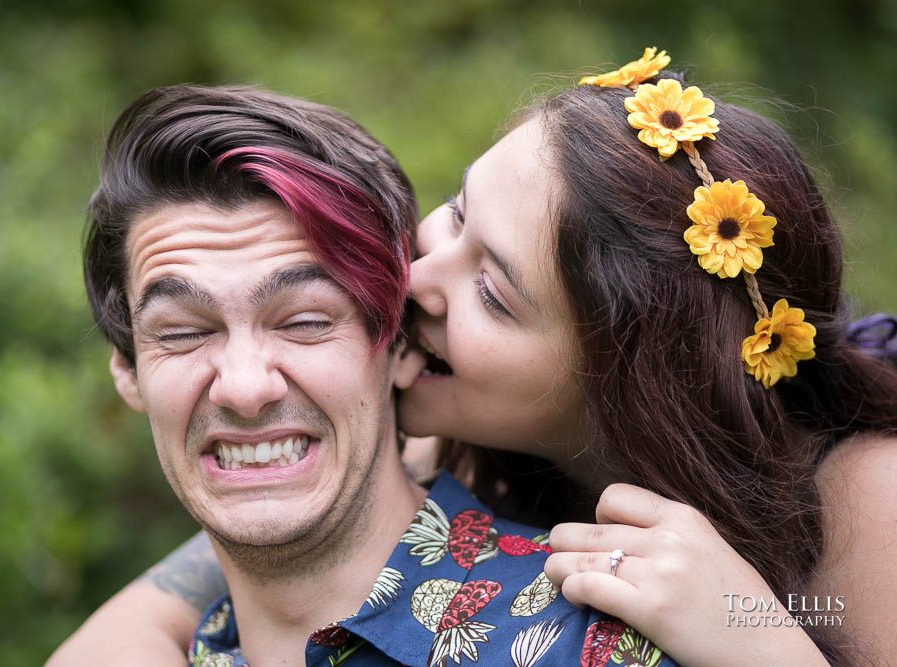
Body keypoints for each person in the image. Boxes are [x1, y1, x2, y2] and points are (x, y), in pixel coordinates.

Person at [49, 51, 897, 666]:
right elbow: (248, 540)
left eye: (493, 292)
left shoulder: (864, 499)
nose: (408, 279)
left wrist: (759, 638)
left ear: (618, 382)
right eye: (456, 213)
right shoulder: (402, 441)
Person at [63, 82, 680, 667]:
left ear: (403, 345)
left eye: (304, 322)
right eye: (184, 333)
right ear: (129, 370)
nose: (246, 389)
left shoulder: (597, 638)